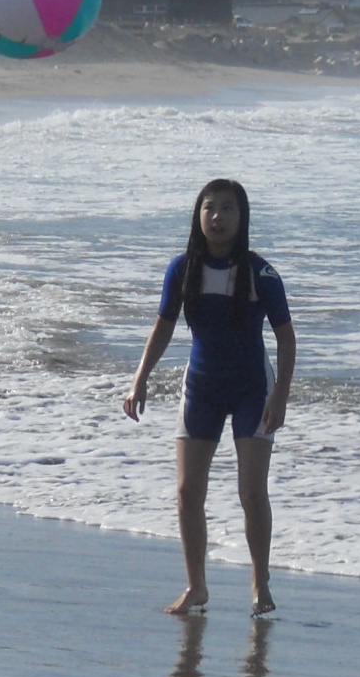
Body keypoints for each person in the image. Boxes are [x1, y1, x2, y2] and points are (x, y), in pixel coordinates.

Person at [123, 179, 297, 615]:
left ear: (242, 217)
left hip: (252, 389)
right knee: (187, 492)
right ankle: (196, 586)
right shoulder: (182, 269)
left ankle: (260, 582)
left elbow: (286, 336)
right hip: (202, 387)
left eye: (228, 209)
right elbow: (163, 326)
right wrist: (140, 378)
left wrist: (280, 396)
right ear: (198, 216)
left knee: (251, 491)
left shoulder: (260, 273)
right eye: (209, 208)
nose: (217, 217)